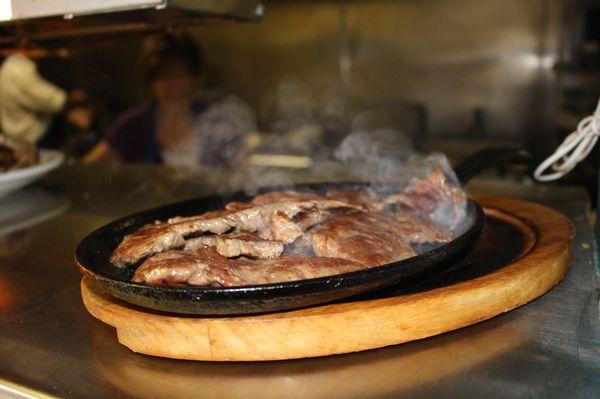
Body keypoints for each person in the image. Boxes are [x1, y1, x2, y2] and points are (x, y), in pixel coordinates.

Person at [86, 32, 255, 168]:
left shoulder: (217, 120)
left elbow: (244, 168)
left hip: (214, 209)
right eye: (165, 78)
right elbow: (90, 167)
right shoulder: (132, 124)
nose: (175, 85)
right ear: (152, 83)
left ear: (195, 78)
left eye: (181, 76)